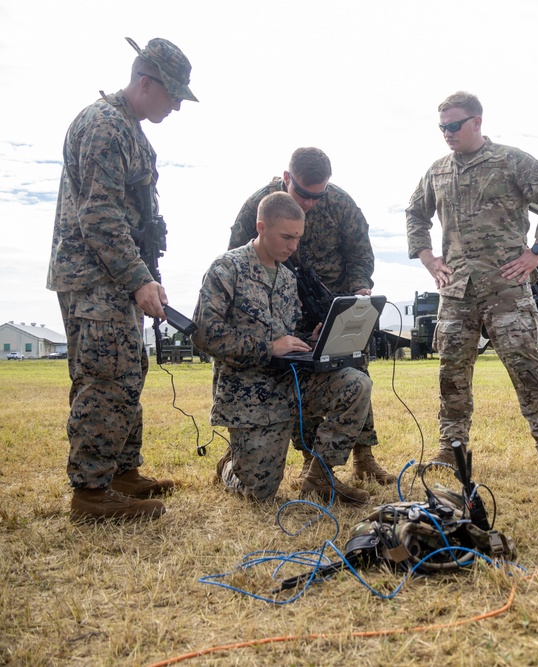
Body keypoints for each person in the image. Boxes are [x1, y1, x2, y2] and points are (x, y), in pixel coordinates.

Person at [47, 37, 198, 522]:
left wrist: (144, 275)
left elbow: (135, 216)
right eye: (172, 94)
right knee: (106, 378)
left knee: (129, 371)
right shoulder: (105, 126)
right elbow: (100, 215)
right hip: (94, 277)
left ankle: (120, 472)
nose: (176, 105)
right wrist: (138, 278)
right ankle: (90, 492)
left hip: (113, 278)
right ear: (144, 82)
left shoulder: (130, 130)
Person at [405, 91, 538, 480]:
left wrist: (537, 251)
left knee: (528, 370)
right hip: (457, 291)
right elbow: (415, 212)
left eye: (454, 125)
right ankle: (451, 448)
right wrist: (428, 256)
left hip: (507, 288)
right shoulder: (437, 171)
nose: (447, 133)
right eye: (442, 127)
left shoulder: (510, 161)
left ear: (477, 122)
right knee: (452, 374)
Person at [228, 148, 394, 486]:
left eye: (318, 196)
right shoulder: (260, 205)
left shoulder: (340, 204)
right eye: (303, 194)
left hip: (330, 305)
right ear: (286, 178)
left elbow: (361, 252)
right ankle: (310, 462)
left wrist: (360, 289)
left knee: (354, 372)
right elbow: (238, 258)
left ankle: (364, 457)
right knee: (297, 380)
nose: (310, 203)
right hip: (281, 308)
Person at [193, 192, 372, 504]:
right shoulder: (227, 269)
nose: (293, 246)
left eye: (298, 238)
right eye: (287, 237)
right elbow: (204, 334)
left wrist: (311, 339)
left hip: (290, 382)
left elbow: (288, 332)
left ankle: (320, 476)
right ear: (261, 227)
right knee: (259, 493)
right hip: (248, 392)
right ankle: (229, 468)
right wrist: (267, 347)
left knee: (356, 383)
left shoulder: (289, 278)